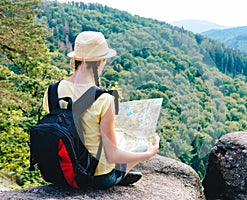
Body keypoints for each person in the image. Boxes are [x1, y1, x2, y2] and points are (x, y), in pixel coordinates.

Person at [42, 31, 160, 189]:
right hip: (94, 178)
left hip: (60, 172)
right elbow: (113, 156)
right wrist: (148, 154)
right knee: (140, 144)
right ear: (99, 62)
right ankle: (120, 174)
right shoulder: (104, 99)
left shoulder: (52, 91)